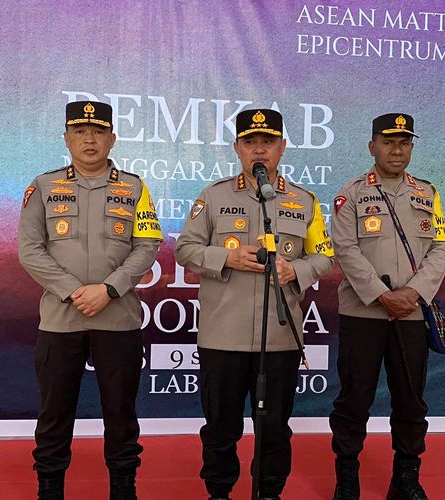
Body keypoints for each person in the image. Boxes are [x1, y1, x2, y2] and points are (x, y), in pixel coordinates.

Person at [175, 108, 334, 500]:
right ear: (237, 149)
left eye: (267, 142)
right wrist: (224, 258)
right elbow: (184, 249)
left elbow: (326, 256)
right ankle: (219, 493)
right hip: (222, 336)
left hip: (279, 338)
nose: (259, 150)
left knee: (275, 427)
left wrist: (294, 270)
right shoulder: (213, 196)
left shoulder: (305, 201)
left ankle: (268, 493)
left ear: (281, 148)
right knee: (220, 428)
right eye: (250, 142)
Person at [18, 101, 163, 500]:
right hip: (60, 319)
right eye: (80, 132)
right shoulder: (44, 187)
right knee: (54, 414)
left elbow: (147, 245)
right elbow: (29, 249)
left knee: (121, 414)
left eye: (98, 132)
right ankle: (49, 489)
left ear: (112, 139)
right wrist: (71, 290)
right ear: (67, 139)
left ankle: (123, 489)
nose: (89, 139)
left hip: (117, 318)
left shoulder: (134, 187)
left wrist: (109, 289)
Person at [328, 113, 445, 500]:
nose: (397, 150)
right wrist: (383, 296)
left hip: (412, 314)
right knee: (354, 399)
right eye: (388, 142)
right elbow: (345, 250)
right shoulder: (351, 194)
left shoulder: (428, 194)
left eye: (404, 143)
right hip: (363, 313)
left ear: (411, 148)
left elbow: (442, 246)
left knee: (411, 400)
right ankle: (347, 480)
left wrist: (413, 293)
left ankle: (405, 480)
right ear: (372, 147)